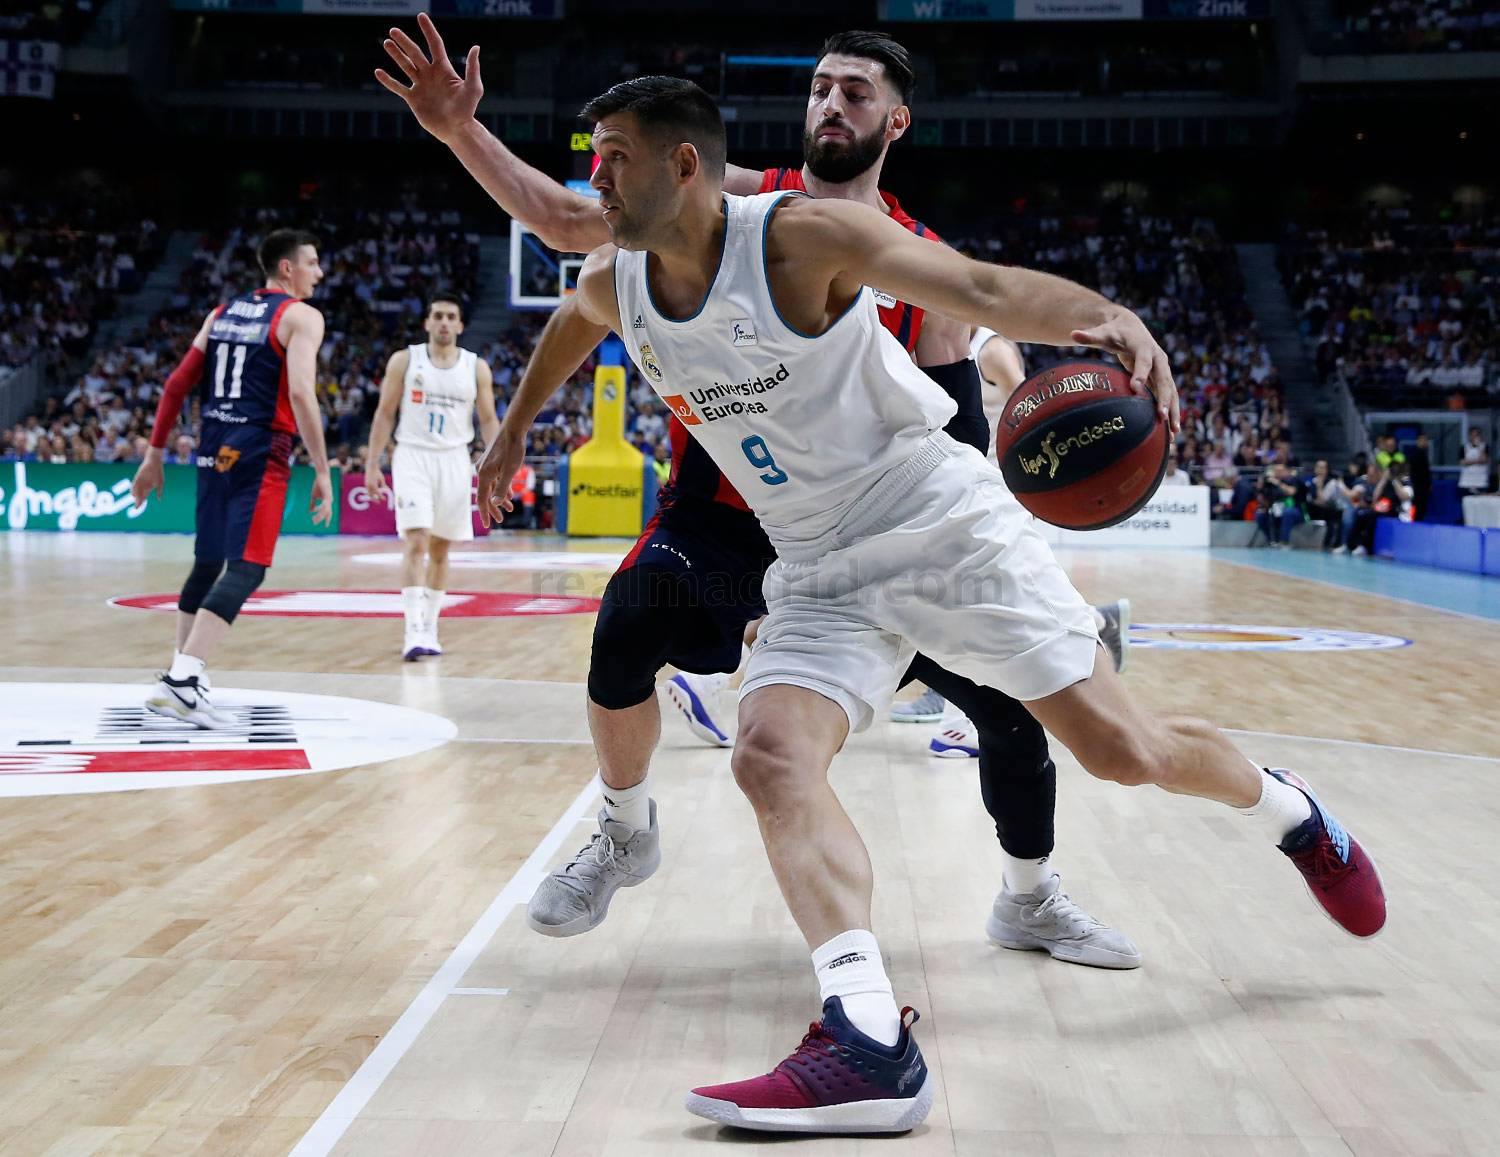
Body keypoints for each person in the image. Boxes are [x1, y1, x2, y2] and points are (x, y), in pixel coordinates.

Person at [468, 75, 1385, 1134]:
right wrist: (507, 432)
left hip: (941, 523)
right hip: (816, 559)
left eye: (617, 153)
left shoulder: (798, 239)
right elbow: (565, 318)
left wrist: (1106, 316)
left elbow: (979, 289)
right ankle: (865, 1034)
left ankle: (1294, 814)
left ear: (685, 165)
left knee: (1125, 750)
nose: (597, 173)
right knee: (768, 751)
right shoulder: (615, 279)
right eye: (594, 153)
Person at [380, 17, 1136, 971]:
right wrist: (460, 131)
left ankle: (1031, 896)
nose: (830, 103)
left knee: (1011, 713)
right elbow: (574, 229)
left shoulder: (915, 258)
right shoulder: (735, 204)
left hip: (869, 535)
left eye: (855, 92)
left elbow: (959, 411)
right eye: (820, 86)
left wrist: (993, 555)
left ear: (896, 122)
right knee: (623, 629)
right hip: (726, 522)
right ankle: (622, 830)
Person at [130, 229, 333, 727]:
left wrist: (153, 455)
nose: (319, 272)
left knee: (208, 563)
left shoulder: (221, 314)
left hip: (212, 448)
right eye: (312, 263)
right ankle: (184, 680)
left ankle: (183, 676)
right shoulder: (302, 316)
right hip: (262, 452)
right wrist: (324, 470)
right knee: (247, 569)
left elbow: (177, 384)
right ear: (286, 269)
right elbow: (304, 395)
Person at [363, 294, 498, 660]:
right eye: (437, 315)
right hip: (412, 455)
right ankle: (413, 628)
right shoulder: (405, 361)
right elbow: (384, 413)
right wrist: (373, 464)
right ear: (427, 322)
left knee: (440, 548)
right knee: (416, 541)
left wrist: (496, 464)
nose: (443, 322)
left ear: (460, 325)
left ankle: (431, 625)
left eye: (450, 316)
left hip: (455, 459)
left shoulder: (475, 367)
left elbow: (487, 419)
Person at [1255, 463, 1305, 548]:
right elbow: (1264, 500)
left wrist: (1278, 483)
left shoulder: (1294, 480)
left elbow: (1291, 492)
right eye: (1276, 471)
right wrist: (1260, 486)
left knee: (1288, 512)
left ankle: (1284, 542)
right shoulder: (1270, 484)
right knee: (1260, 514)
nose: (1278, 473)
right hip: (1276, 510)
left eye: (1280, 471)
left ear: (1287, 471)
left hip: (1295, 511)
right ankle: (1272, 540)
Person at [1459, 427, 1490, 499]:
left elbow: (1484, 460)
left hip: (1481, 482)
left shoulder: (1484, 446)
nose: (1474, 437)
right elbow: (1463, 462)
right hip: (1466, 482)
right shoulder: (1464, 447)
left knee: (1480, 503)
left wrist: (1479, 447)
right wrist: (1477, 461)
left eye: (1477, 435)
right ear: (1469, 436)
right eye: (1472, 435)